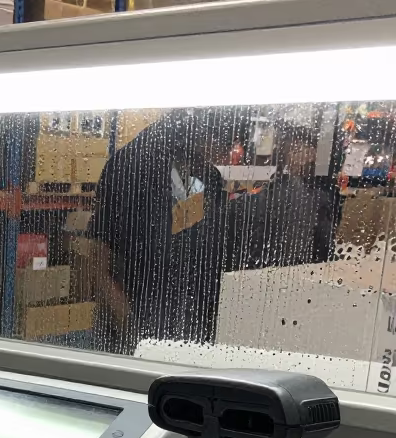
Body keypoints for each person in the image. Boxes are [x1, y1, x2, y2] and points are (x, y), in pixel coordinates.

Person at [86, 107, 250, 353]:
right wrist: (134, 333)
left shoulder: (207, 177)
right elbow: (98, 264)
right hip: (137, 326)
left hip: (192, 327)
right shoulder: (132, 168)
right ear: (203, 132)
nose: (227, 155)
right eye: (227, 144)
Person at [231, 122, 337, 269]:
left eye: (295, 149)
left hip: (290, 273)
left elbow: (324, 247)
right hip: (274, 271)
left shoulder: (315, 196)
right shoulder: (279, 190)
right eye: (286, 149)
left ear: (312, 154)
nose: (288, 154)